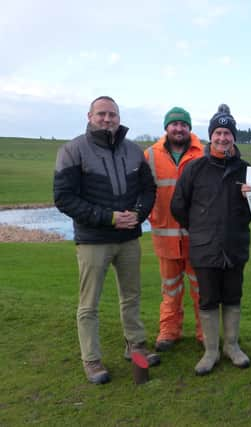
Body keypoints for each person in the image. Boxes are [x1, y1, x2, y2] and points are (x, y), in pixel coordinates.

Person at [54, 96, 159, 385]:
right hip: (93, 240)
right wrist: (109, 218)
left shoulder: (134, 151)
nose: (107, 119)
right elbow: (64, 198)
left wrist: (137, 214)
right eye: (101, 114)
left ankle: (135, 346)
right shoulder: (72, 151)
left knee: (132, 296)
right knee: (89, 304)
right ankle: (92, 359)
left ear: (119, 117)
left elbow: (148, 190)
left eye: (112, 114)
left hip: (128, 238)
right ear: (89, 116)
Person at [171, 104, 251, 376]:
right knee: (207, 300)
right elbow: (178, 206)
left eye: (227, 133)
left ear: (234, 137)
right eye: (217, 132)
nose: (222, 138)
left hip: (235, 246)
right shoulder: (195, 169)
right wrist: (200, 228)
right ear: (210, 136)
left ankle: (232, 346)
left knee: (232, 297)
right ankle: (211, 351)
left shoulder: (245, 170)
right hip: (204, 248)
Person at [145, 107, 205, 352]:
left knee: (202, 290)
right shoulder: (150, 155)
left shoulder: (203, 153)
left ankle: (205, 334)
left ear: (189, 128)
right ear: (166, 128)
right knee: (170, 289)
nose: (179, 128)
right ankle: (169, 331)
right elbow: (142, 192)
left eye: (183, 124)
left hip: (197, 237)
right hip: (165, 236)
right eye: (174, 124)